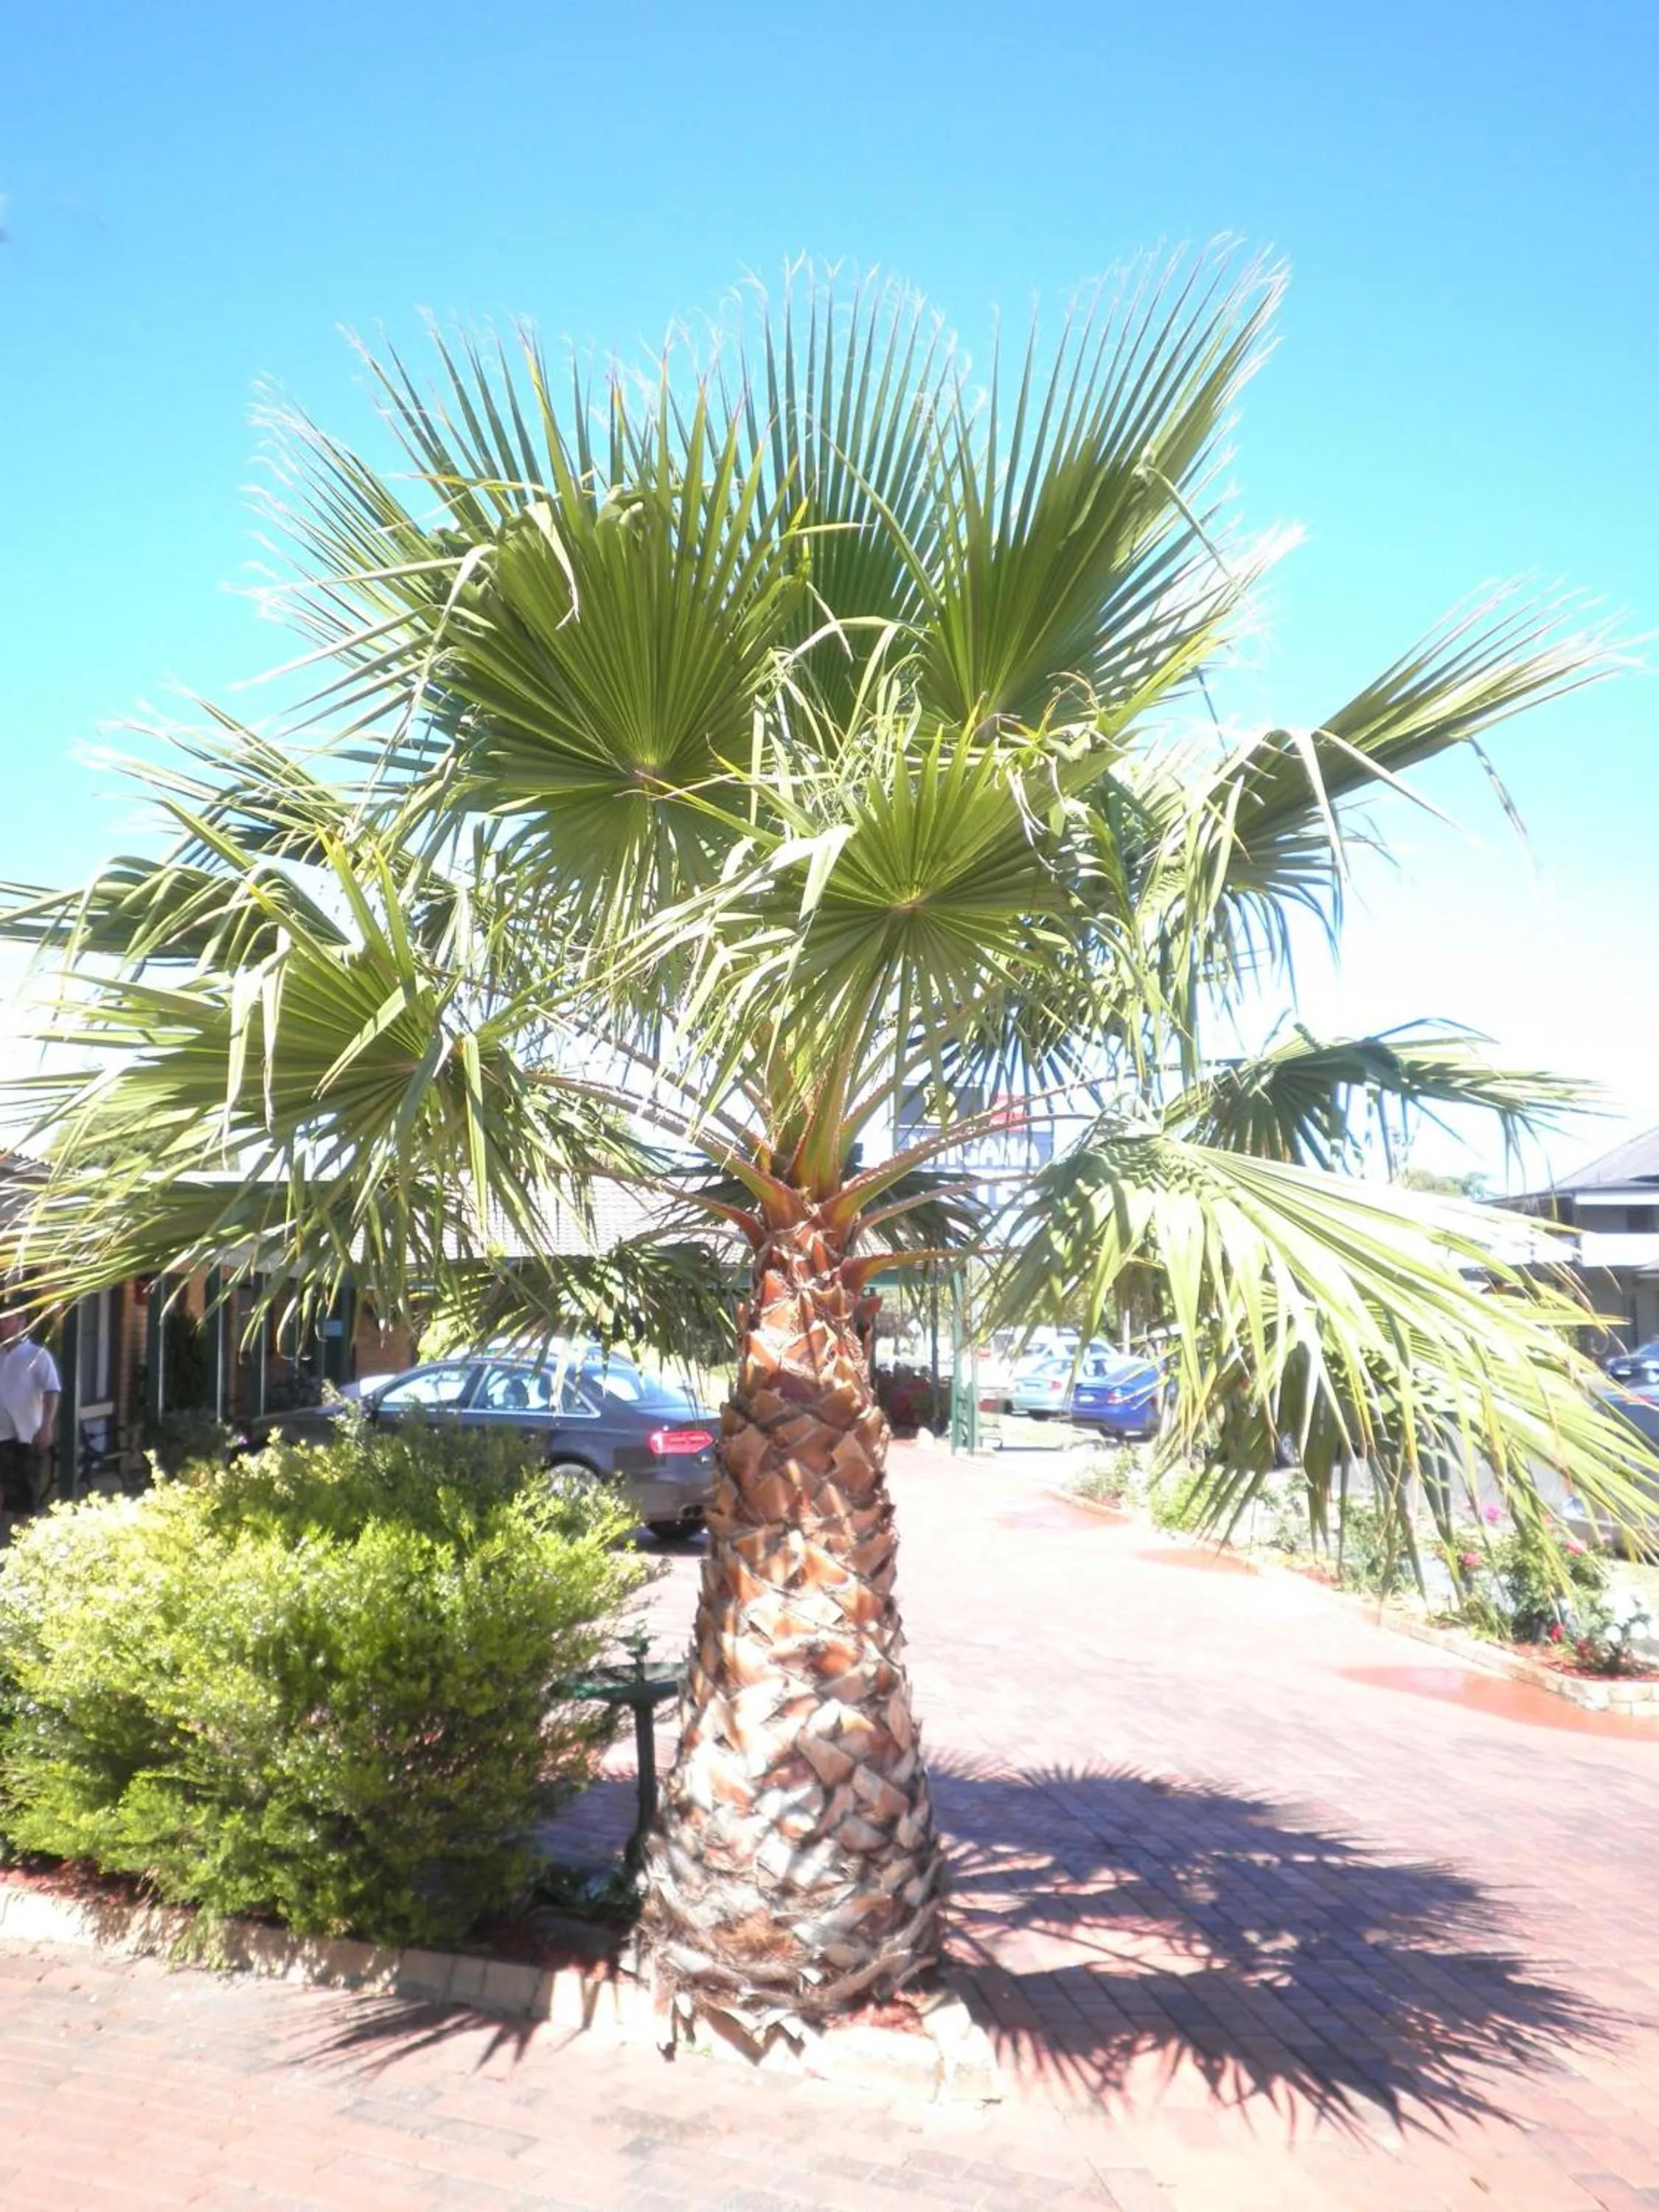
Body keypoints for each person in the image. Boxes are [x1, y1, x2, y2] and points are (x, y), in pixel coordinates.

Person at [0, 1305, 60, 1517]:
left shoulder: (37, 1355)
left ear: (21, 1322)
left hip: (26, 1436)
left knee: (24, 1500)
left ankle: (22, 1543)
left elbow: (52, 1390)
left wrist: (46, 1427)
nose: (2, 1324)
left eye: (7, 1319)